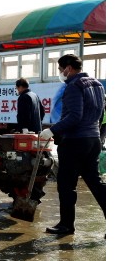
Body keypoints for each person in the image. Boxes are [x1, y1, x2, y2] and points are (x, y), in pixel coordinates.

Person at [39, 54, 106, 235]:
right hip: (93, 140)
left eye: (61, 70)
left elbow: (74, 116)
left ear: (68, 68)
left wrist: (52, 131)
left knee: (66, 184)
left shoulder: (73, 86)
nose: (61, 73)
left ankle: (66, 225)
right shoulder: (98, 85)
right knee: (95, 183)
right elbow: (100, 114)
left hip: (75, 142)